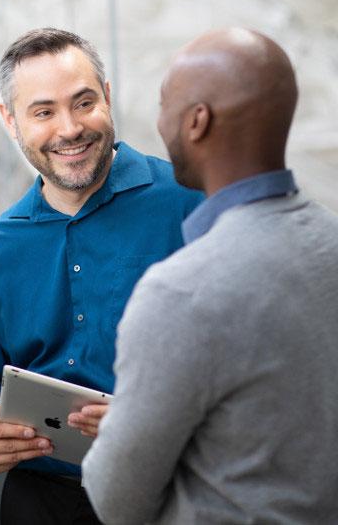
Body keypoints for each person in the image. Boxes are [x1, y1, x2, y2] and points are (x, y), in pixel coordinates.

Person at [82, 28, 338, 523]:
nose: (158, 123)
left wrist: (129, 428)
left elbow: (116, 501)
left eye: (163, 104)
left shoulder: (180, 292)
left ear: (197, 121)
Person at [0, 28, 202, 523]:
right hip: (38, 502)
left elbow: (245, 357)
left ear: (108, 98)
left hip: (170, 493)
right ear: (10, 121)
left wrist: (154, 421)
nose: (69, 128)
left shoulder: (191, 203)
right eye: (43, 112)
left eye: (84, 102)